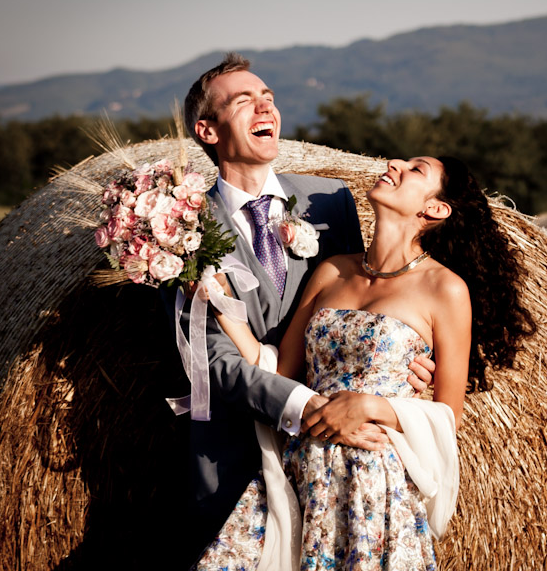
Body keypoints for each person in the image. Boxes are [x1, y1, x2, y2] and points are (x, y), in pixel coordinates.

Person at [196, 154, 536, 569]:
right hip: (300, 473)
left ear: (435, 209)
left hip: (375, 484)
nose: (394, 163)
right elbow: (280, 371)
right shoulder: (332, 271)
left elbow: (447, 415)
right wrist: (219, 302)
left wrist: (373, 406)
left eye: (415, 169)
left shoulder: (445, 289)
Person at [174, 53, 435, 559]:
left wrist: (415, 363)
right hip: (235, 457)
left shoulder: (329, 202)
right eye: (243, 100)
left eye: (267, 96)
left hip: (342, 463)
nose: (264, 106)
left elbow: (374, 300)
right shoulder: (179, 228)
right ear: (207, 130)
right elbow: (211, 362)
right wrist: (310, 408)